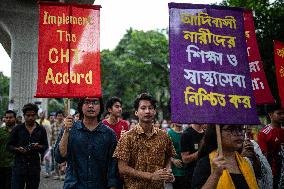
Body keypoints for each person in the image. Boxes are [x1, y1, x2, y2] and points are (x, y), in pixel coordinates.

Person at [113, 93, 176, 189]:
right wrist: (150, 176)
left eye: (150, 108)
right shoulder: (127, 137)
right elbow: (122, 168)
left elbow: (168, 157)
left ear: (155, 111)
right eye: (143, 108)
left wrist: (167, 172)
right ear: (136, 112)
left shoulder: (164, 136)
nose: (147, 111)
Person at [54, 97, 118, 189]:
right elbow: (59, 157)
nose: (91, 106)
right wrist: (66, 131)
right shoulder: (70, 129)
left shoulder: (109, 134)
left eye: (95, 102)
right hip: (73, 185)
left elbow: (113, 168)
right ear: (81, 106)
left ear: (101, 107)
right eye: (86, 102)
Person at [192, 124, 259, 189]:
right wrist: (215, 174)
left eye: (241, 128)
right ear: (217, 133)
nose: (238, 133)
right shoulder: (205, 163)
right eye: (230, 129)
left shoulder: (245, 162)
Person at [7, 103, 48, 189]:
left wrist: (38, 147)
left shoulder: (41, 129)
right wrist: (17, 149)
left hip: (34, 168)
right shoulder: (17, 129)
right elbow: (9, 146)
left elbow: (45, 146)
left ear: (36, 115)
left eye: (33, 115)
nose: (30, 118)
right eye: (28, 115)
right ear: (24, 115)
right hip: (19, 167)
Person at [258, 104, 284, 189]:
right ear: (271, 115)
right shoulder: (264, 133)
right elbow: (263, 157)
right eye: (279, 113)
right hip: (273, 172)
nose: (282, 116)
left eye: (283, 113)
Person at [180, 123, 205, 188]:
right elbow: (185, 159)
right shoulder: (186, 134)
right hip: (192, 176)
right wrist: (200, 151)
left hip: (205, 174)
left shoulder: (207, 133)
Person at [0, 110, 16, 189]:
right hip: (2, 164)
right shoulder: (1, 131)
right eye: (6, 117)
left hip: (14, 165)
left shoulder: (19, 131)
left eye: (10, 117)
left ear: (15, 119)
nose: (8, 119)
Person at [168, 123, 185, 189]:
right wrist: (173, 160)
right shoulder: (169, 133)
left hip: (187, 170)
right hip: (176, 171)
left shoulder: (186, 133)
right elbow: (164, 152)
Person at [50, 110, 65, 179]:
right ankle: (57, 174)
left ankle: (62, 174)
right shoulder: (53, 125)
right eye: (58, 116)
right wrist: (51, 145)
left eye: (61, 115)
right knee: (55, 160)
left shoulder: (65, 124)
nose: (60, 117)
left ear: (63, 116)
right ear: (56, 117)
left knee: (63, 160)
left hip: (64, 145)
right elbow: (51, 136)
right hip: (55, 145)